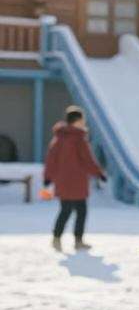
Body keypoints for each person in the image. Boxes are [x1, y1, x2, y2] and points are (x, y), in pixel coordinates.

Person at [43, 105, 107, 252]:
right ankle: (78, 240)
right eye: (82, 119)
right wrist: (99, 173)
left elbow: (51, 159)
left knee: (65, 210)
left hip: (63, 181)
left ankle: (56, 238)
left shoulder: (58, 138)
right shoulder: (79, 139)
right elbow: (88, 160)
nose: (84, 122)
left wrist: (48, 177)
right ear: (77, 121)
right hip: (78, 181)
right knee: (81, 211)